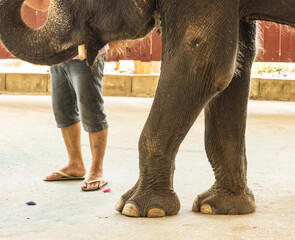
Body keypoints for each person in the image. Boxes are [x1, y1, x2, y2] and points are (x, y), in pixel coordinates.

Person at [24, 0, 109, 191]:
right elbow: (45, 4)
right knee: (63, 109)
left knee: (91, 110)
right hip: (59, 52)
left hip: (86, 52)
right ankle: (75, 164)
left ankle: (97, 169)